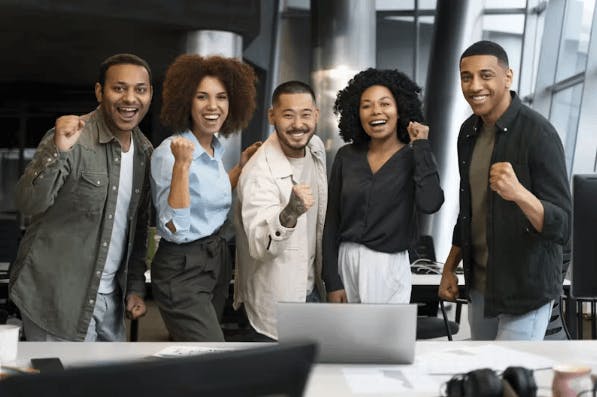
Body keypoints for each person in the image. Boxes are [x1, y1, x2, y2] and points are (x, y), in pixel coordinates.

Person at [10, 53, 154, 341]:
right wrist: (57, 150)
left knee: (105, 386)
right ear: (100, 91)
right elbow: (28, 203)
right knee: (62, 386)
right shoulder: (72, 137)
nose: (130, 98)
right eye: (119, 88)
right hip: (56, 297)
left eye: (140, 89)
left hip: (110, 302)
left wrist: (135, 285)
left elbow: (137, 230)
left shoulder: (145, 152)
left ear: (150, 94)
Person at [438, 40, 572, 340]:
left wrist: (519, 194)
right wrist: (449, 267)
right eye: (466, 77)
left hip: (525, 289)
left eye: (486, 75)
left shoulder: (540, 134)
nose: (474, 86)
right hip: (482, 286)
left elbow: (562, 225)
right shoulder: (468, 132)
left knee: (511, 379)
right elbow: (468, 210)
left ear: (507, 77)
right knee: (486, 377)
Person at [150, 54, 259, 342]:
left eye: (221, 97)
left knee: (194, 357)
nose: (213, 106)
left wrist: (240, 168)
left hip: (216, 261)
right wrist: (181, 167)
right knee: (210, 349)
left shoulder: (213, 149)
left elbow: (211, 196)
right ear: (187, 101)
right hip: (183, 268)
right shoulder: (170, 153)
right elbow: (174, 227)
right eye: (202, 97)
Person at [322, 68, 444, 304]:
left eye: (385, 103)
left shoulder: (414, 155)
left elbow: (430, 203)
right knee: (346, 340)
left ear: (400, 110)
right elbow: (332, 222)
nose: (376, 111)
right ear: (356, 113)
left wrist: (421, 146)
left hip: (389, 265)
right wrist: (331, 280)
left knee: (384, 340)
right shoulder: (346, 156)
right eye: (366, 105)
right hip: (345, 262)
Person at [233, 81, 326, 341]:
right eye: (288, 115)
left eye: (305, 114)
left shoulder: (316, 149)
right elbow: (259, 246)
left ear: (316, 115)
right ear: (272, 115)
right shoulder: (258, 172)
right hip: (276, 303)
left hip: (312, 291)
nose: (298, 124)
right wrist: (290, 213)